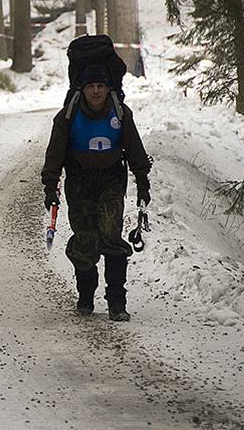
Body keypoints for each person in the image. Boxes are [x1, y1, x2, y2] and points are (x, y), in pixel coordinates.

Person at [41, 63, 152, 321]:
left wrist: (142, 182)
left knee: (111, 233)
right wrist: (50, 185)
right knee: (86, 238)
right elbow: (55, 153)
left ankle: (116, 302)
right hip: (79, 181)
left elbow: (135, 148)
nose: (95, 91)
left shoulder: (120, 114)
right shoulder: (67, 117)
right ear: (83, 88)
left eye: (100, 86)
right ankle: (86, 295)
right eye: (91, 86)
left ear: (107, 87)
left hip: (111, 179)